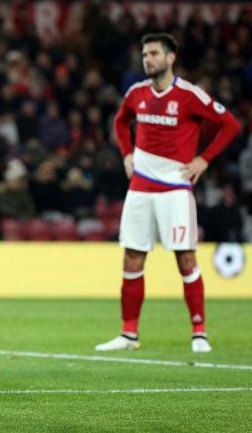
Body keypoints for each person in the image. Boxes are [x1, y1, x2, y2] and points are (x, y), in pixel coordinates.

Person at [96, 33, 240, 353]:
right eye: (145, 54)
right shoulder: (136, 93)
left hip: (175, 189)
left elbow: (230, 124)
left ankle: (199, 332)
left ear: (170, 57)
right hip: (140, 189)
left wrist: (204, 159)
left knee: (185, 259)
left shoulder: (190, 95)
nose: (148, 59)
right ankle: (129, 334)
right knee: (132, 257)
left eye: (154, 54)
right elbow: (121, 123)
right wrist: (126, 154)